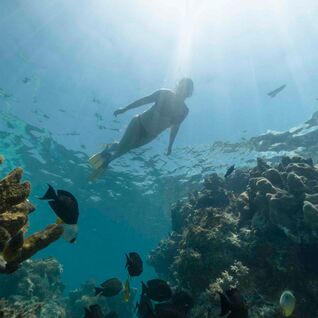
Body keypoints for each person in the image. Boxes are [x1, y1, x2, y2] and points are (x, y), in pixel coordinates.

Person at [89, 78, 194, 179]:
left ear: (190, 92)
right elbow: (143, 101)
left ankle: (108, 152)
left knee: (127, 147)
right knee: (124, 146)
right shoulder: (165, 93)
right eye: (183, 86)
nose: (184, 90)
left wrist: (170, 145)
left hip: (151, 135)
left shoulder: (184, 111)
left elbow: (175, 127)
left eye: (187, 88)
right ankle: (107, 161)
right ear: (178, 86)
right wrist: (124, 109)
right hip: (139, 123)